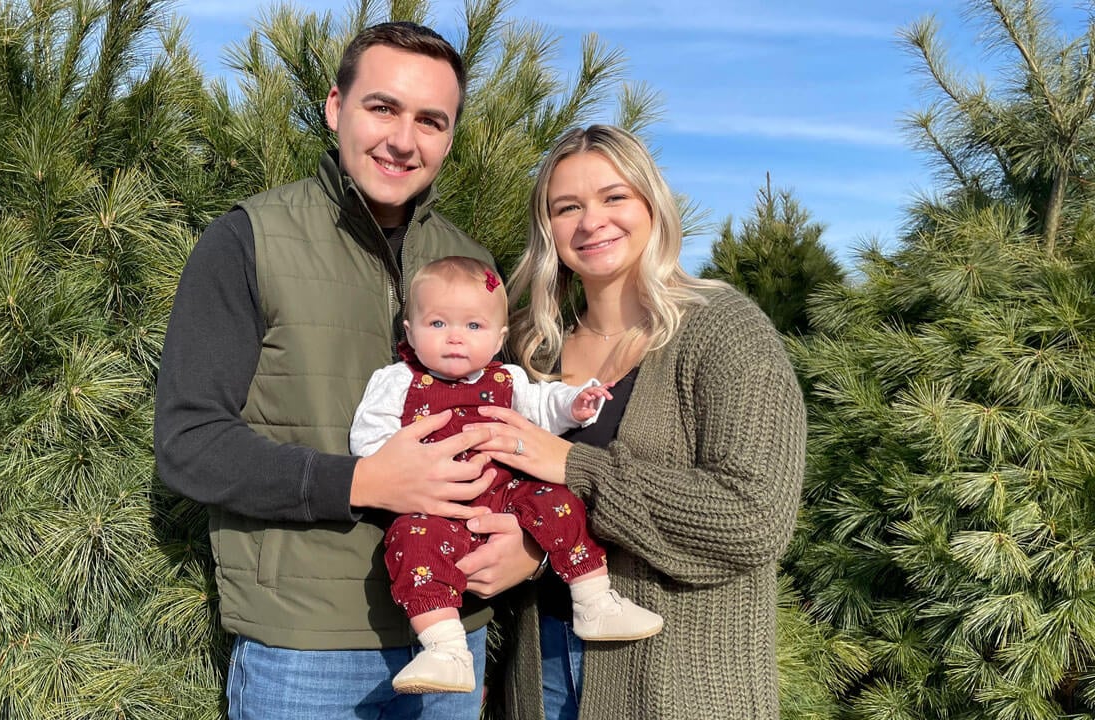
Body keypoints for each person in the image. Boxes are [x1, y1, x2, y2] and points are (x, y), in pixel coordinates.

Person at [154, 22, 538, 720]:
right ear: (336, 106)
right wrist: (361, 482)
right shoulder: (247, 241)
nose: (403, 139)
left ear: (449, 138)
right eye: (382, 107)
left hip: (457, 641)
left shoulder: (470, 263)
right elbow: (190, 443)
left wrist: (530, 547)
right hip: (301, 655)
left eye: (430, 120)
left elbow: (514, 427)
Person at [477, 125, 807, 719]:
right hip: (539, 674)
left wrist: (576, 467)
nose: (591, 221)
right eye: (567, 206)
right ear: (547, 228)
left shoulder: (724, 332)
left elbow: (755, 518)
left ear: (652, 203)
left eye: (613, 197)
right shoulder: (528, 349)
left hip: (677, 682)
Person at [349, 256, 663, 695]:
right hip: (435, 504)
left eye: (473, 327)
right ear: (410, 332)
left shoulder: (508, 379)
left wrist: (575, 404)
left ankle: (593, 600)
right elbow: (369, 436)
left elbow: (544, 405)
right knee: (409, 543)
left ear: (499, 339)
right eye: (437, 324)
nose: (455, 337)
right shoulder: (398, 381)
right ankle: (445, 648)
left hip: (507, 492)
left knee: (561, 502)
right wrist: (394, 465)